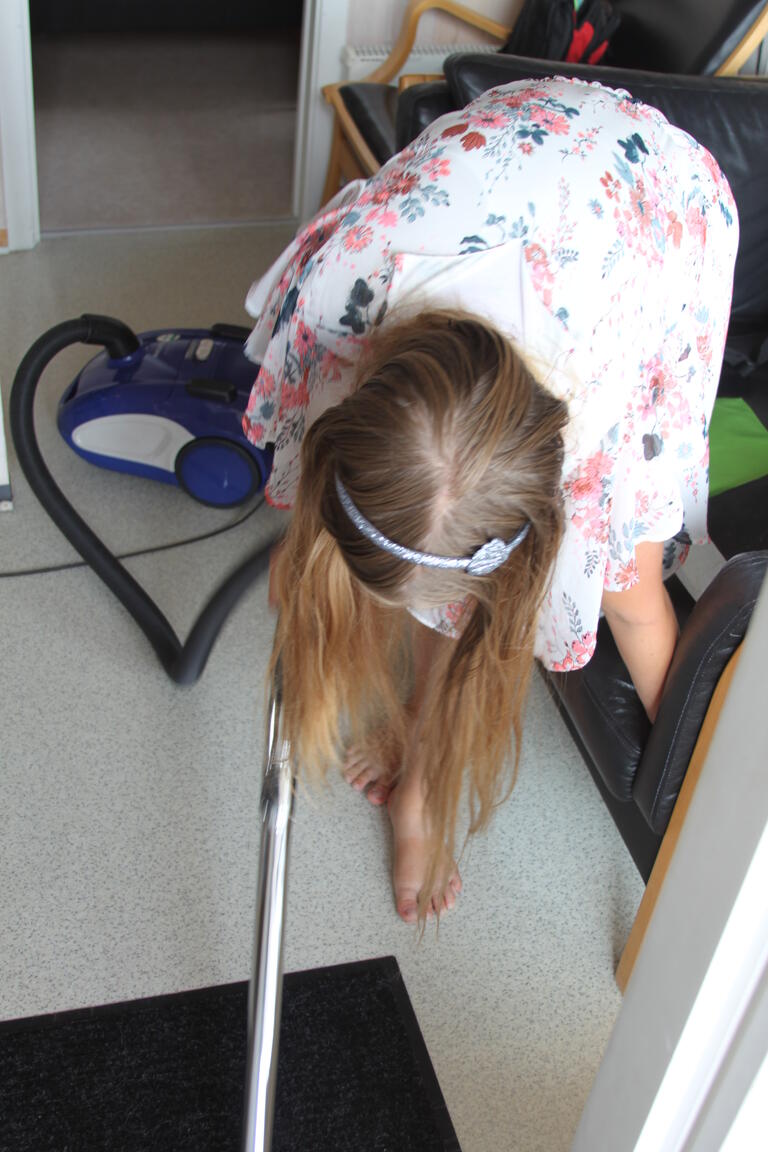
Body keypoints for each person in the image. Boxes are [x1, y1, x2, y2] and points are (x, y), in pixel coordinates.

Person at [241, 77, 738, 925]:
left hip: (659, 208)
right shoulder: (344, 296)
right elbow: (341, 475)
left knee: (548, 569)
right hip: (506, 157)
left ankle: (423, 781)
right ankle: (417, 733)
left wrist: (718, 808)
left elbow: (641, 617)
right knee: (432, 522)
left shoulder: (601, 459)